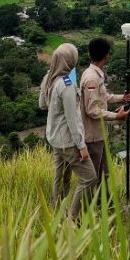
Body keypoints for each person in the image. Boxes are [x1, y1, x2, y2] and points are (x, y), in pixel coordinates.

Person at [39, 42, 95, 220]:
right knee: (89, 178)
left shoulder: (49, 77)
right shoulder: (67, 83)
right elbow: (73, 118)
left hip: (54, 138)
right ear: (70, 60)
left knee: (61, 178)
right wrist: (81, 145)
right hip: (69, 142)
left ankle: (58, 216)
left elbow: (42, 105)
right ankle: (73, 217)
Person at [80, 37, 130, 197]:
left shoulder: (95, 75)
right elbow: (92, 110)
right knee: (93, 177)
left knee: (103, 174)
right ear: (106, 55)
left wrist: (121, 98)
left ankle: (104, 204)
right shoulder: (92, 78)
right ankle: (88, 209)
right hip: (93, 136)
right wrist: (116, 116)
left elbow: (102, 98)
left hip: (99, 134)